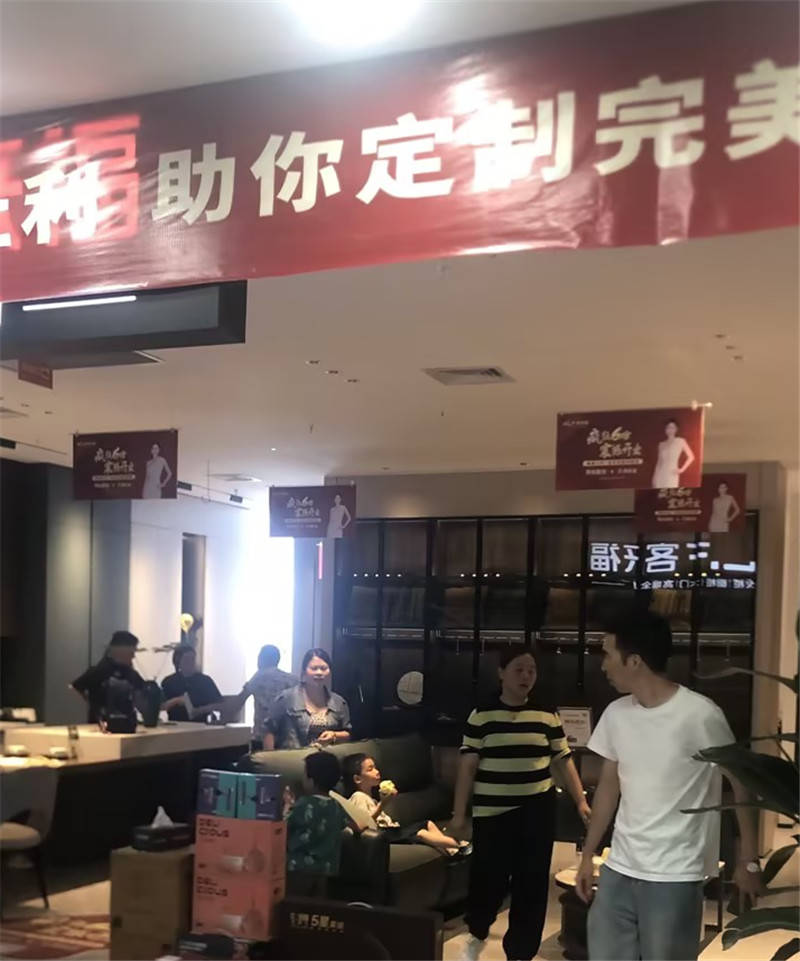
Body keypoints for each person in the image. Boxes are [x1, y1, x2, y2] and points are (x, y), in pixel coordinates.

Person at [575, 611, 762, 961]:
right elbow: (609, 788)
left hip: (675, 874)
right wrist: (588, 855)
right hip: (619, 869)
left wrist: (749, 860)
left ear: (634, 661)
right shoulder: (616, 714)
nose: (603, 665)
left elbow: (742, 783)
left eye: (608, 655)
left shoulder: (699, 714)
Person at [452, 646, 591, 961]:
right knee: (488, 880)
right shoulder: (482, 713)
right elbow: (468, 767)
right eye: (519, 669)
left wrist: (581, 801)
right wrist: (459, 814)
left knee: (532, 885)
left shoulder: (546, 714)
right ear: (501, 672)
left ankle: (520, 953)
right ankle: (477, 931)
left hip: (537, 811)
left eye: (531, 670)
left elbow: (563, 759)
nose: (526, 676)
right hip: (493, 813)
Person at [342, 753, 469, 855]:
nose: (377, 771)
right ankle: (460, 845)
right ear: (357, 779)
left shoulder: (372, 800)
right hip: (383, 834)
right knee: (420, 832)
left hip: (391, 830)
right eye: (370, 769)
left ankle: (451, 851)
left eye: (375, 767)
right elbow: (364, 823)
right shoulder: (358, 797)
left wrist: (382, 802)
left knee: (427, 824)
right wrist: (383, 804)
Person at [285, 751, 350, 897]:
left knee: (294, 903)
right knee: (316, 906)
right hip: (325, 870)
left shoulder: (303, 804)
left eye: (304, 775)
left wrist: (288, 805)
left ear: (311, 781)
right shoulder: (335, 805)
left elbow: (283, 825)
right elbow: (353, 825)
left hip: (298, 868)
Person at [265, 648, 351, 751]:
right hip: (294, 758)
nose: (319, 672)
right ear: (304, 672)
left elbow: (347, 733)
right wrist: (269, 756)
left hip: (327, 758)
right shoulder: (286, 698)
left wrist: (334, 735)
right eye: (314, 668)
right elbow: (269, 729)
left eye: (324, 668)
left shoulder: (339, 702)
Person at [70, 631, 145, 724]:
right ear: (121, 651)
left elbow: (141, 693)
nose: (133, 656)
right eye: (131, 652)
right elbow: (75, 686)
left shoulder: (130, 673)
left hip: (126, 723)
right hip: (101, 723)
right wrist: (92, 704)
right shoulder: (101, 670)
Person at [230, 645, 297, 749]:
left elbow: (238, 703)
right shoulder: (292, 679)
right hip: (287, 738)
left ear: (261, 659)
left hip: (262, 737)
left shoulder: (259, 677)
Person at [161, 645, 224, 722]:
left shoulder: (205, 681)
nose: (191, 663)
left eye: (193, 659)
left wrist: (202, 710)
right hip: (175, 724)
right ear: (178, 662)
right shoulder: (169, 681)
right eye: (187, 660)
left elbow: (220, 705)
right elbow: (161, 706)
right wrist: (175, 701)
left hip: (200, 724)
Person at [652, 419, 696, 489]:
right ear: (665, 429)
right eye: (668, 427)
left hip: (672, 472)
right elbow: (659, 462)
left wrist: (681, 469)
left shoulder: (680, 441)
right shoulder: (661, 444)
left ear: (676, 429)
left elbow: (691, 457)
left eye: (673, 427)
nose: (670, 429)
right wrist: (654, 478)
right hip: (661, 474)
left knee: (671, 491)